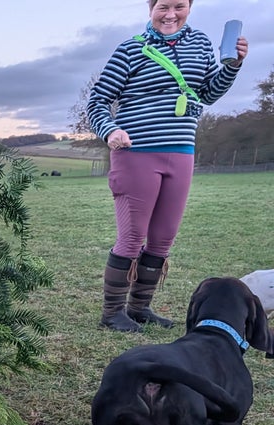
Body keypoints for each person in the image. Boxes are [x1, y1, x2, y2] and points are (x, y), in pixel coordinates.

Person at [87, 0, 248, 332]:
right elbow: (98, 99)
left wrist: (232, 67)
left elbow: (207, 92)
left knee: (163, 238)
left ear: (189, 7)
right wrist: (110, 129)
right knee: (132, 237)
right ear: (150, 7)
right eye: (163, 6)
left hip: (181, 152)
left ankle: (139, 308)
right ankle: (112, 313)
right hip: (136, 152)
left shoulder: (201, 44)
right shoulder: (131, 49)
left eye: (179, 6)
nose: (170, 14)